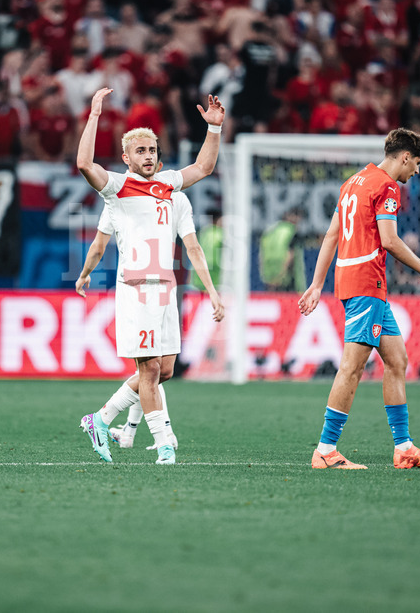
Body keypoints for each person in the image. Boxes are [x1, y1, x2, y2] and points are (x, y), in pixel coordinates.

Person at [76, 87, 224, 465]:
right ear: (126, 157)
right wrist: (93, 116)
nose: (148, 156)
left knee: (166, 371)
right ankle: (164, 445)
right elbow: (84, 165)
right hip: (136, 288)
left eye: (152, 150)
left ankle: (102, 418)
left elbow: (203, 168)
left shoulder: (169, 186)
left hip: (166, 290)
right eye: (140, 151)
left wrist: (214, 130)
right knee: (150, 368)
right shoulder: (117, 189)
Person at [298, 128, 420, 470]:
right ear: (405, 156)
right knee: (352, 368)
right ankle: (325, 449)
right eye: (418, 164)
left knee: (397, 361)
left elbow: (332, 234)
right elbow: (391, 240)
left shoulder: (353, 182)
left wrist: (318, 283)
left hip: (359, 283)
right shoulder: (386, 186)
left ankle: (404, 447)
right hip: (367, 283)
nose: (417, 172)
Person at [260, 208, 306, 292]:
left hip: (269, 276)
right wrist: (281, 275)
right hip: (286, 278)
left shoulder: (271, 232)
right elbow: (290, 255)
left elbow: (262, 254)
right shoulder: (291, 231)